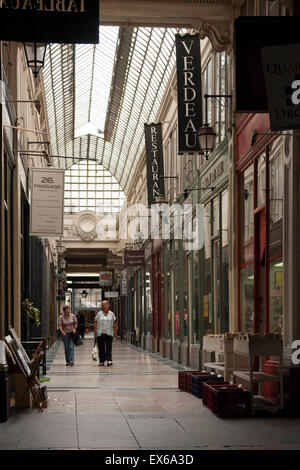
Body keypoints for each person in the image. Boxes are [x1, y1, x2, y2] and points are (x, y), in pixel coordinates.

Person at [94, 300, 117, 366]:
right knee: (101, 347)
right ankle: (102, 361)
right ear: (102, 306)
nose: (106, 306)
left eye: (107, 304)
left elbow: (115, 323)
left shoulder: (112, 314)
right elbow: (95, 323)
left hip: (109, 333)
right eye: (105, 304)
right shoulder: (99, 314)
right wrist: (95, 334)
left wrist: (115, 333)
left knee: (109, 347)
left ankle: (109, 360)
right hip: (100, 333)